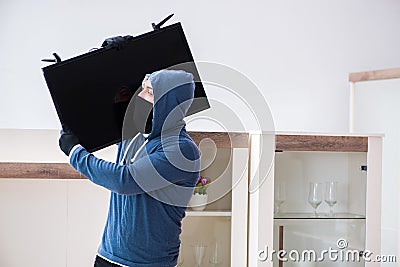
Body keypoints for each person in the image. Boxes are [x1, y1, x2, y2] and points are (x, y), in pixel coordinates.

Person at [59, 69, 201, 267]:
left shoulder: (181, 149)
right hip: (107, 255)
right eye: (141, 89)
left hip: (147, 264)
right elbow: (98, 110)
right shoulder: (135, 134)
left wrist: (76, 154)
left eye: (149, 92)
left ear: (169, 103)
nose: (139, 97)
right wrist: (107, 59)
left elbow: (126, 181)